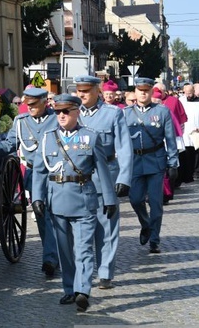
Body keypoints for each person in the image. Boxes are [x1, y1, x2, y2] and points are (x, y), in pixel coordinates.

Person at [31, 94, 116, 312]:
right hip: (57, 201)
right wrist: (37, 198)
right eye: (58, 111)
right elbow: (39, 172)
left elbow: (103, 171)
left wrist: (109, 198)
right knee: (65, 251)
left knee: (84, 249)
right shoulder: (48, 138)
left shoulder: (91, 137)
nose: (61, 115)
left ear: (77, 112)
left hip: (84, 201)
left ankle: (83, 291)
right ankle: (69, 289)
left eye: (66, 111)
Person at [0, 87, 59, 276]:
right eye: (27, 105)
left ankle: (57, 256)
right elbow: (8, 145)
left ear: (45, 102)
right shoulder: (21, 122)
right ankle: (51, 258)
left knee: (56, 216)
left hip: (56, 173)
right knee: (44, 215)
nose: (30, 108)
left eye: (34, 105)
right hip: (33, 174)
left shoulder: (57, 119)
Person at [74, 75, 133, 290]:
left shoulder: (113, 114)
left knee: (107, 228)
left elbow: (124, 147)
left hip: (105, 177)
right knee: (81, 230)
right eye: (79, 90)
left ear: (97, 91)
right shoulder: (71, 114)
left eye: (86, 90)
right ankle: (82, 272)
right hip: (77, 181)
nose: (82, 94)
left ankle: (106, 272)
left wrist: (124, 177)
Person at [125, 77, 179, 254]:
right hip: (134, 162)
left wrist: (173, 163)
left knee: (156, 203)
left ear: (151, 91)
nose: (143, 93)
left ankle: (154, 239)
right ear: (135, 91)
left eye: (146, 90)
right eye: (140, 90)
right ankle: (145, 224)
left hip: (156, 161)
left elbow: (170, 139)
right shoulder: (126, 113)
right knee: (135, 199)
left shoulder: (162, 112)